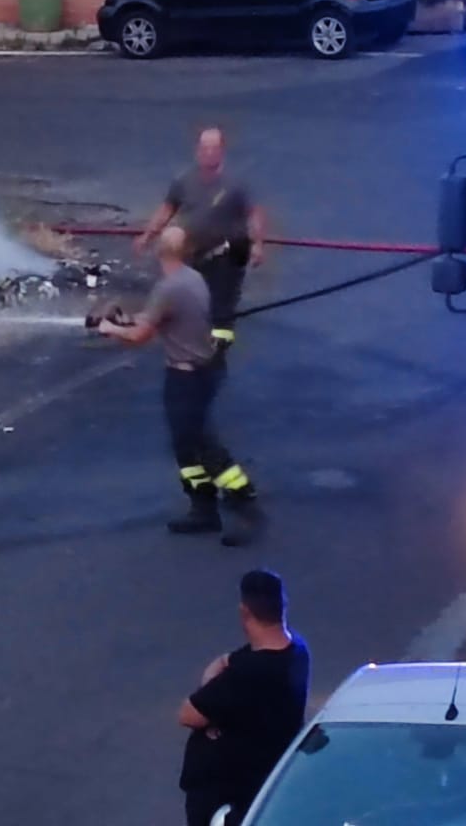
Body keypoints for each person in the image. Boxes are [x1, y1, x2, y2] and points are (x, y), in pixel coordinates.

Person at [99, 225, 261, 545]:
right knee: (186, 446)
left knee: (201, 444)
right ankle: (203, 509)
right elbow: (157, 319)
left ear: (159, 251)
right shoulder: (192, 278)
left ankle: (243, 500)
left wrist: (110, 328)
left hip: (186, 377)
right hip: (200, 373)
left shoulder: (169, 288)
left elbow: (140, 337)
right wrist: (128, 320)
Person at [178, 569, 311, 826]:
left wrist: (213, 714)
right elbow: (227, 665)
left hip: (228, 793)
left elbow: (189, 714)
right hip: (261, 778)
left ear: (245, 612)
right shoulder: (296, 651)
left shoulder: (248, 673)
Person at [136, 128, 266, 361]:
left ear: (221, 151)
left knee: (222, 301)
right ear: (197, 150)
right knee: (192, 295)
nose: (208, 153)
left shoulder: (236, 184)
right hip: (194, 252)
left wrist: (258, 244)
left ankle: (219, 349)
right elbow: (167, 209)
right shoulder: (183, 181)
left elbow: (253, 214)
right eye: (204, 148)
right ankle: (191, 339)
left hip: (229, 251)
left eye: (213, 148)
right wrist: (147, 236)